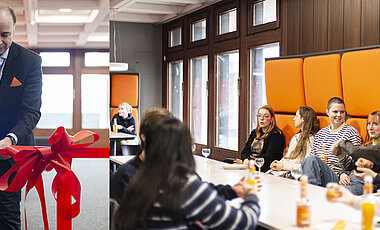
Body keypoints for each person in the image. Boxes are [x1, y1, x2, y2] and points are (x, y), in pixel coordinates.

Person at [114, 116, 260, 230]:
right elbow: (243, 223)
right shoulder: (182, 185)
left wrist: (231, 191)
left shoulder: (139, 178)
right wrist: (251, 195)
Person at [0, 3, 42, 229]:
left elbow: (30, 112)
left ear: (14, 31)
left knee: (7, 215)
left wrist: (9, 140)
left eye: (4, 35)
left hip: (10, 153)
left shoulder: (30, 62)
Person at [301, 97, 362, 194]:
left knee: (310, 161)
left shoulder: (351, 133)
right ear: (327, 112)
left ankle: (310, 196)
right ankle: (311, 194)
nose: (339, 115)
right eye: (335, 111)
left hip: (338, 178)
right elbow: (312, 158)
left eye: (342, 112)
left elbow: (355, 163)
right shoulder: (320, 134)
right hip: (319, 173)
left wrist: (343, 173)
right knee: (309, 160)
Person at [331, 110, 380, 188]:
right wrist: (340, 155)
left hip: (364, 183)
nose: (370, 128)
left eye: (375, 124)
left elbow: (354, 151)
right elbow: (350, 166)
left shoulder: (375, 149)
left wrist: (341, 142)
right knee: (311, 160)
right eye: (368, 124)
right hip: (350, 179)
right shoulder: (365, 146)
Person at [270, 106, 319, 175]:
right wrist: (277, 163)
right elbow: (287, 157)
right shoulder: (295, 137)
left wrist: (283, 166)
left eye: (296, 116)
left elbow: (306, 166)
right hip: (283, 171)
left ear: (303, 119)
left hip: (294, 174)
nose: (294, 119)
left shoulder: (311, 140)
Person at [237, 105, 285, 172]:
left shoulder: (276, 135)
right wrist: (246, 160)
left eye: (266, 116)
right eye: (259, 116)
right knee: (228, 161)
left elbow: (269, 157)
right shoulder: (255, 132)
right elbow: (245, 151)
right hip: (250, 163)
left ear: (272, 119)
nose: (261, 118)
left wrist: (251, 163)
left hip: (264, 166)